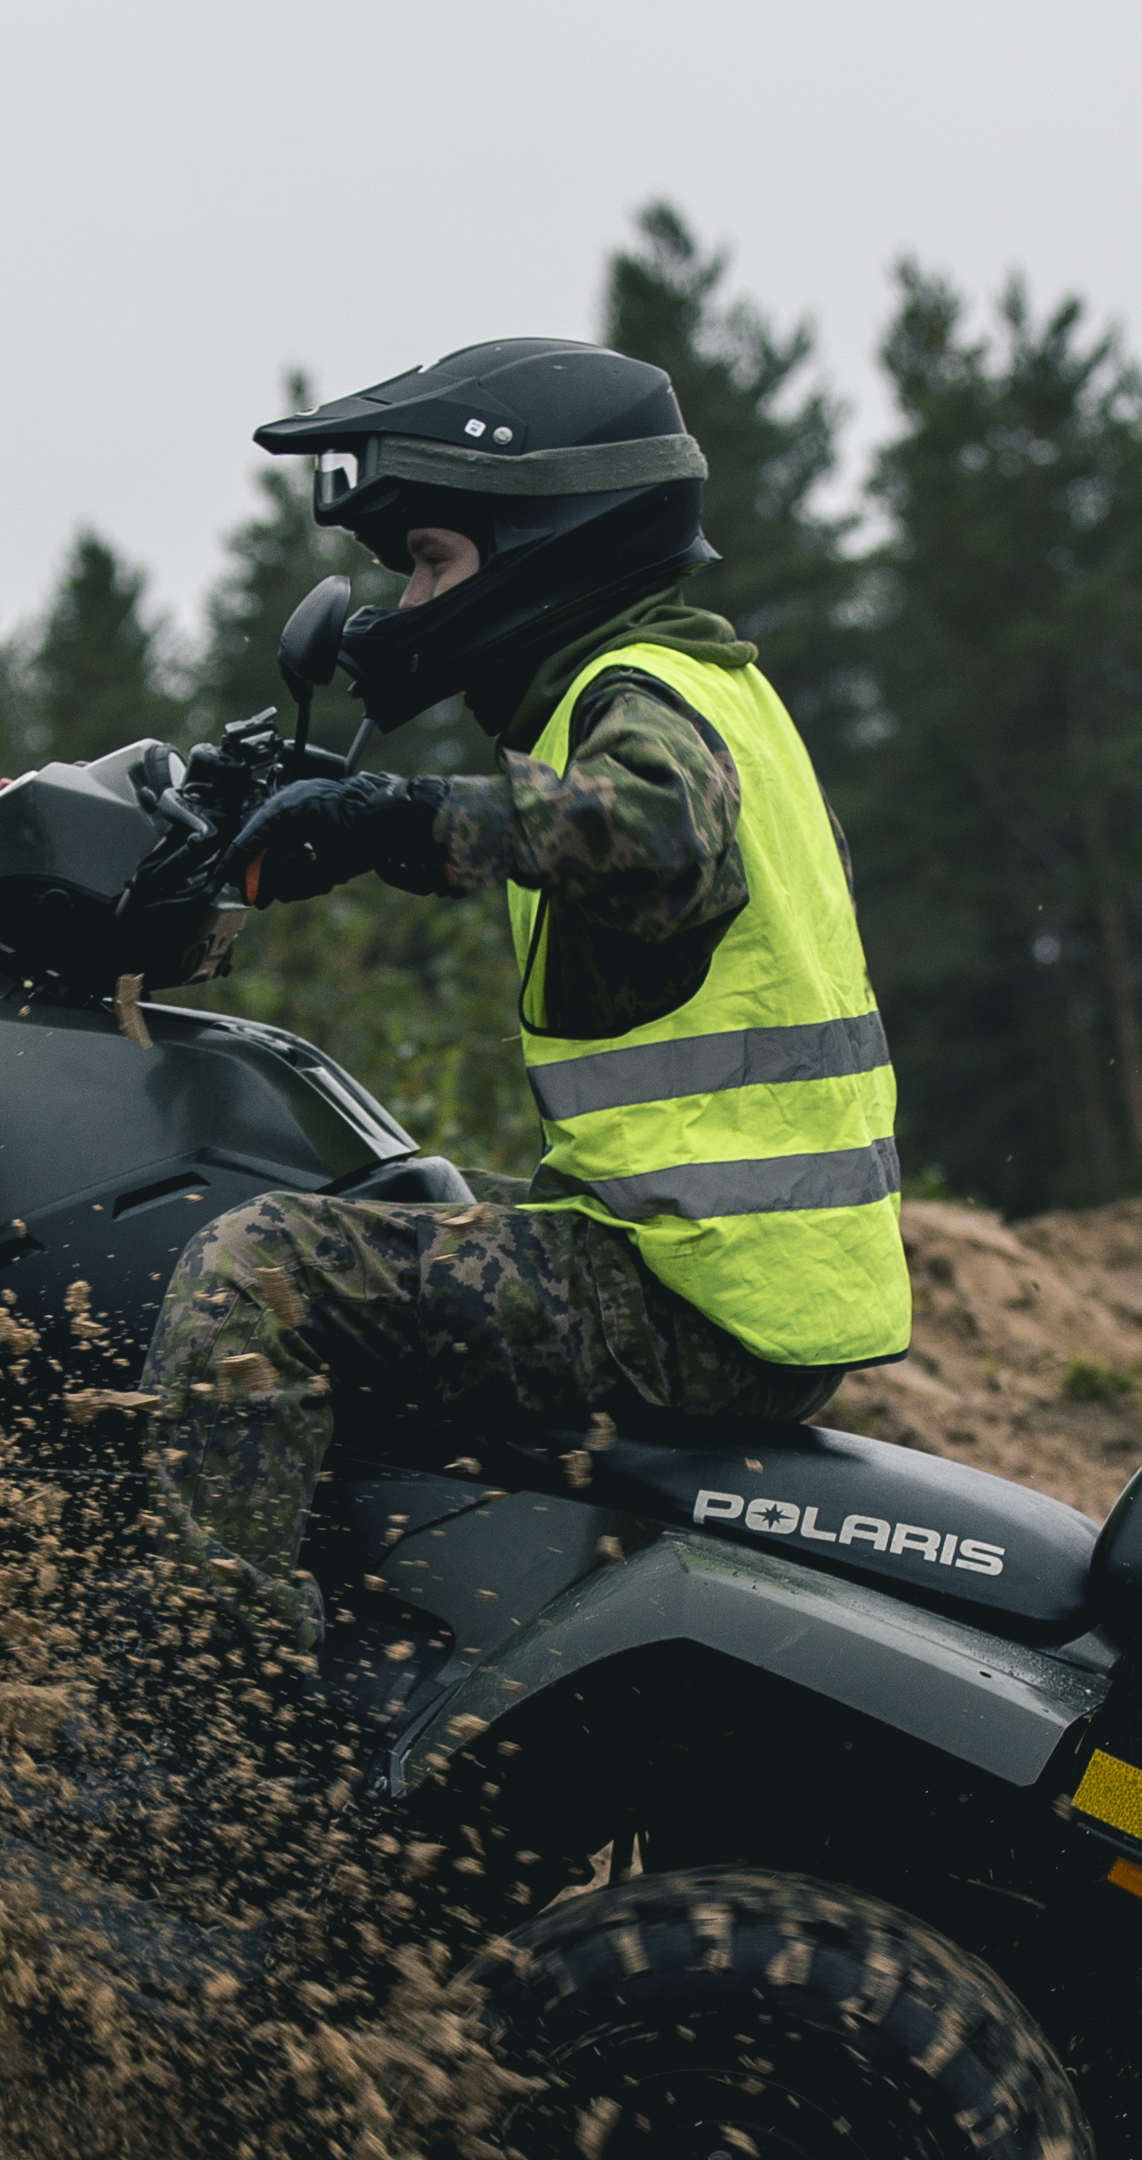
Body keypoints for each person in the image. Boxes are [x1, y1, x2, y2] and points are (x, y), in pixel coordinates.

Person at [149, 338, 912, 1652]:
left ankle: (211, 1684)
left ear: (551, 544)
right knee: (386, 1197)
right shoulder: (722, 689)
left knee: (262, 1264)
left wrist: (388, 819)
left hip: (693, 1297)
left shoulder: (645, 703)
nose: (410, 601)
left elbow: (656, 840)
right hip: (734, 1275)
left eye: (434, 562)